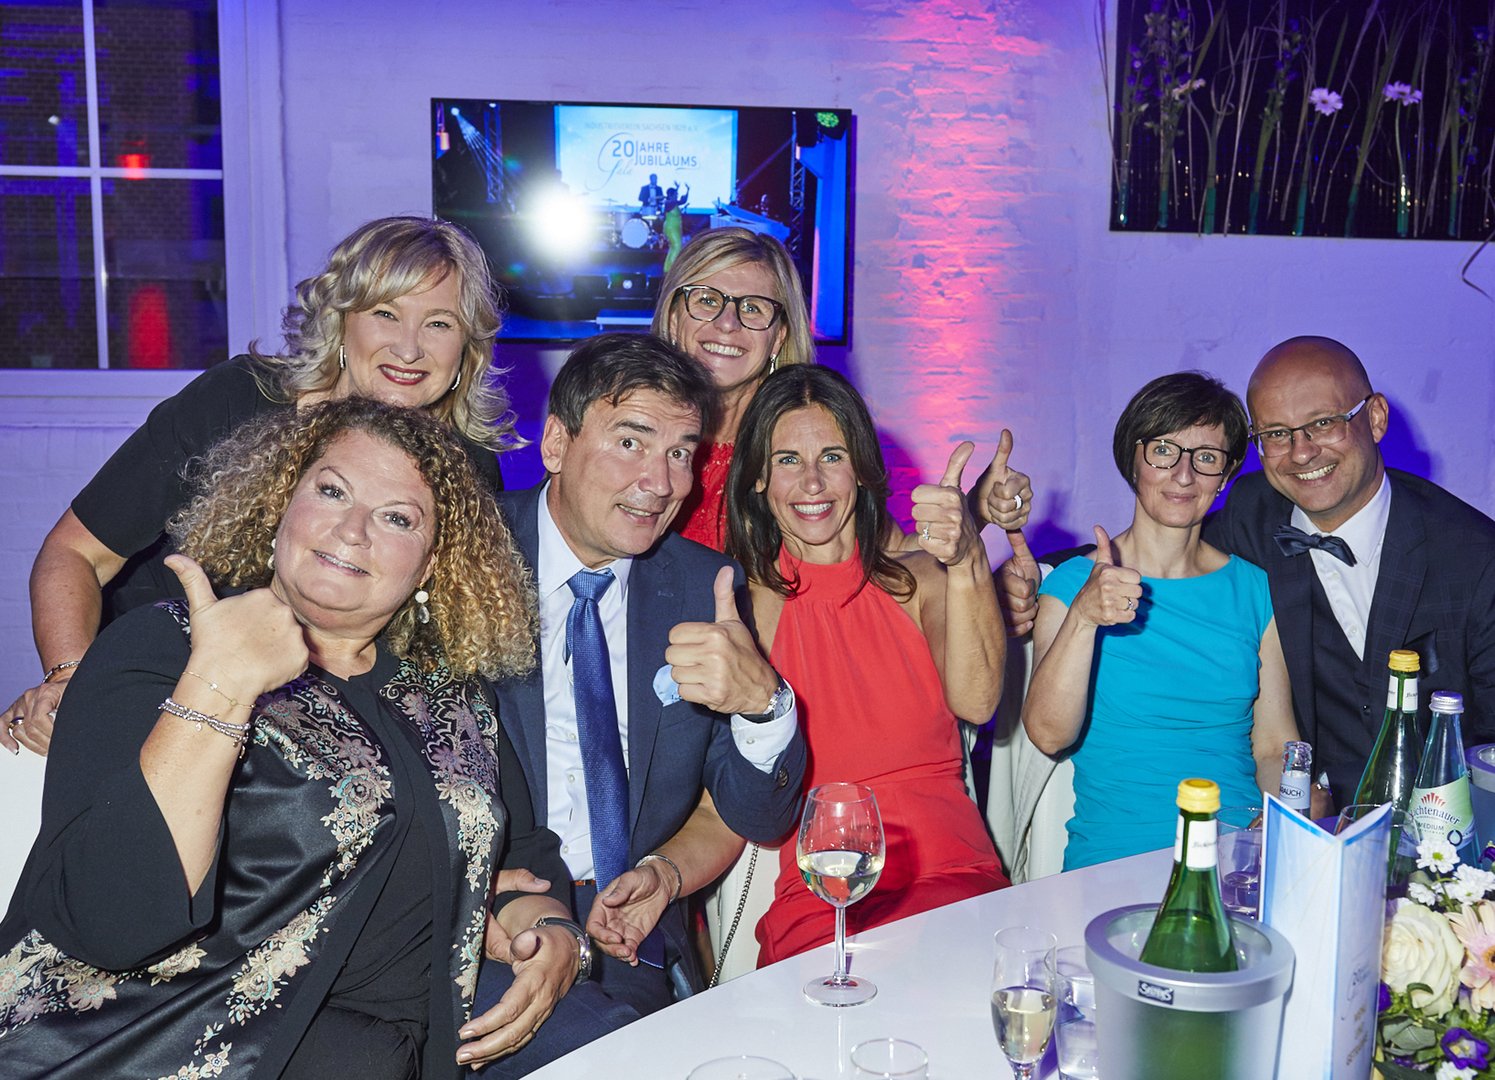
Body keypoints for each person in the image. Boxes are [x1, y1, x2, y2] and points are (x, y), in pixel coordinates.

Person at [0, 398, 577, 1079]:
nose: (352, 530)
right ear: (281, 508)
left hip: (415, 1049)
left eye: (397, 518)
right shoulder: (163, 647)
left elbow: (520, 848)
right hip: (147, 1041)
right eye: (331, 491)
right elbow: (109, 920)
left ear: (428, 567)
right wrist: (217, 687)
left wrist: (552, 932)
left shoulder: (449, 693)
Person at [4, 215, 519, 757]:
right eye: (385, 314)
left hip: (335, 744)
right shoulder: (237, 402)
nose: (409, 349)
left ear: (467, 346)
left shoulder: (466, 469)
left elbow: (454, 639)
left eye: (439, 323)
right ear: (342, 321)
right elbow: (75, 553)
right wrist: (72, 682)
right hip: (166, 699)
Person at [465, 333, 808, 1075]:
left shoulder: (702, 586)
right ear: (556, 443)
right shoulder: (465, 555)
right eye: (631, 442)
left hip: (630, 938)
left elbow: (758, 814)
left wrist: (764, 702)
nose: (661, 481)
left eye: (682, 452)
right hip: (482, 928)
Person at [1001, 338, 1495, 805]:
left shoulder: (1473, 555)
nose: (1302, 452)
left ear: (1376, 417)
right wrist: (1028, 577)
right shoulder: (1253, 512)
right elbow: (1159, 547)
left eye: (1324, 423)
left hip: (1439, 823)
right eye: (1277, 434)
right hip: (1298, 816)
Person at [724, 365, 1011, 965]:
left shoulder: (921, 580)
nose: (812, 482)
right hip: (826, 890)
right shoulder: (743, 605)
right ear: (757, 478)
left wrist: (966, 559)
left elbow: (980, 700)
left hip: (953, 874)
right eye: (787, 460)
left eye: (832, 456)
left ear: (860, 467)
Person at [1020, 372, 1299, 869]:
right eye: (1164, 451)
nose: (1184, 475)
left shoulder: (1253, 588)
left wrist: (1287, 817)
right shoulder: (1074, 583)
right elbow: (1048, 734)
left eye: (1206, 457)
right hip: (1117, 856)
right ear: (1134, 459)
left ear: (1227, 474)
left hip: (1236, 852)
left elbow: (1273, 746)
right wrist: (1084, 617)